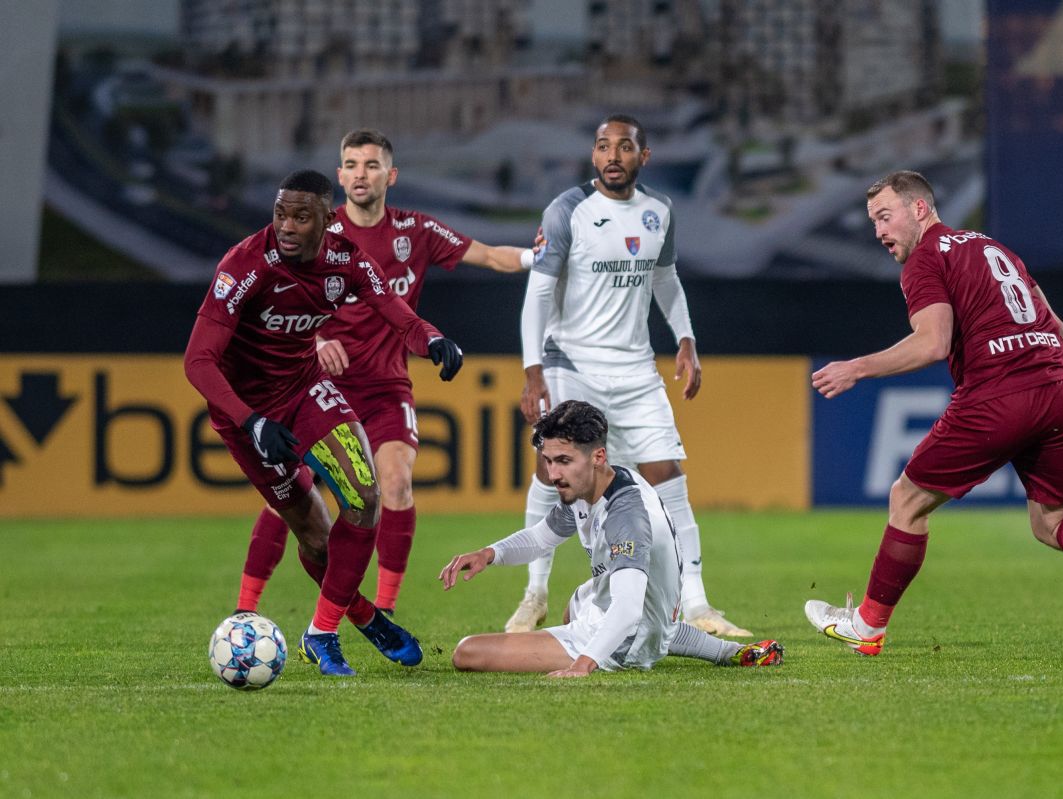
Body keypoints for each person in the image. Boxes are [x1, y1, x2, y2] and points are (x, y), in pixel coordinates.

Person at [804, 170, 1063, 656]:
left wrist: (858, 368)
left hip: (998, 393)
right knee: (1052, 518)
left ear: (919, 209)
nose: (879, 231)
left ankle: (868, 627)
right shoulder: (994, 248)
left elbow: (932, 342)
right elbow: (1054, 323)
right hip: (1054, 391)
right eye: (873, 222)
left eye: (885, 217)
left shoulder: (925, 258)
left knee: (906, 500)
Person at [234, 128, 533, 620]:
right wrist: (316, 339)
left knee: (395, 482)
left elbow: (492, 255)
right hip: (314, 388)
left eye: (371, 165)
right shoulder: (317, 238)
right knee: (287, 497)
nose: (360, 174)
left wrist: (539, 256)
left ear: (390, 175)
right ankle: (244, 611)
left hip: (384, 390)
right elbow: (270, 306)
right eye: (351, 165)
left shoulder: (415, 231)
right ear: (338, 175)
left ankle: (387, 608)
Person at [184, 169, 465, 677]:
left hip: (303, 389)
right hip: (246, 415)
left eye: (300, 216)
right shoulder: (244, 265)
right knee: (315, 537)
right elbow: (198, 362)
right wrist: (250, 423)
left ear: (326, 219)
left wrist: (431, 338)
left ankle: (321, 631)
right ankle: (363, 614)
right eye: (280, 214)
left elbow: (393, 309)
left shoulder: (345, 259)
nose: (286, 227)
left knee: (365, 495)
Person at [508, 113, 752, 638]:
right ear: (593, 156)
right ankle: (534, 595)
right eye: (602, 146)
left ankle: (697, 604)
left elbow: (666, 278)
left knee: (668, 478)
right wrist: (533, 373)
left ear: (645, 157)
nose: (612, 155)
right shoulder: (567, 210)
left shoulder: (659, 210)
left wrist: (686, 339)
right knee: (552, 473)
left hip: (637, 368)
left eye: (624, 147)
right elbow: (539, 295)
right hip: (571, 362)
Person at [439, 400, 783, 676]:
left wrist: (583, 663)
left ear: (598, 456)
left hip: (630, 634)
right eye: (547, 461)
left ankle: (621, 648)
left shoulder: (626, 515)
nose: (553, 474)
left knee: (467, 652)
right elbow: (542, 537)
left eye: (563, 461)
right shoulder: (595, 482)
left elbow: (629, 607)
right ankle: (726, 652)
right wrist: (489, 554)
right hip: (653, 611)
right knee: (574, 606)